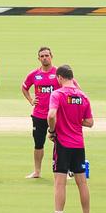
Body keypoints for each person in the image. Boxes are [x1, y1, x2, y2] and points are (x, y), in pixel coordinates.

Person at [44, 65, 93, 213]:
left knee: (60, 182)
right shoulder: (82, 95)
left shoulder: (57, 94)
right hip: (79, 144)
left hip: (63, 143)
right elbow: (90, 122)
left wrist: (52, 130)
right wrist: (74, 120)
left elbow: (51, 115)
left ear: (59, 78)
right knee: (82, 183)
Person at [21, 47, 59, 179]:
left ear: (51, 56)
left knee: (60, 143)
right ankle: (37, 171)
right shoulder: (34, 74)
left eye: (47, 55)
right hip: (38, 115)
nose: (44, 58)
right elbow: (24, 87)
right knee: (38, 143)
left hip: (55, 115)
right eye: (42, 56)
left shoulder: (58, 73)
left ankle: (63, 170)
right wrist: (31, 100)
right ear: (39, 58)